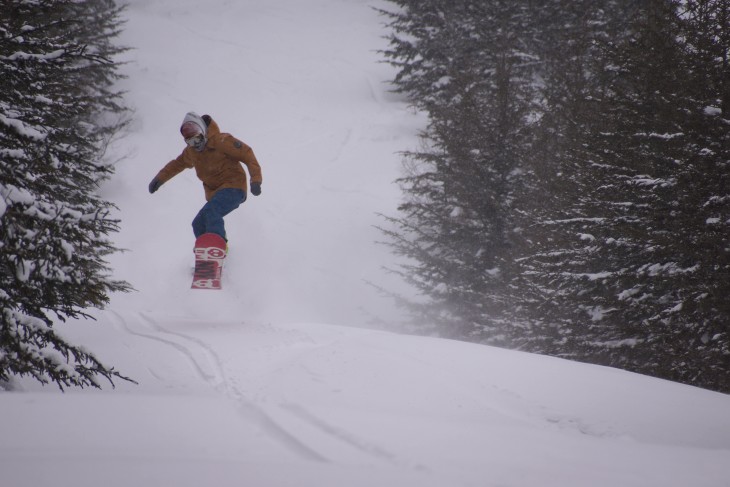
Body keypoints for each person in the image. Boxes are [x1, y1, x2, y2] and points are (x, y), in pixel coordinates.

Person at [148, 112, 262, 244]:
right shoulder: (192, 152)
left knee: (211, 212)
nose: (195, 144)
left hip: (233, 187)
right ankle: (208, 254)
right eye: (190, 142)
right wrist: (159, 179)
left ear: (203, 131)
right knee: (198, 223)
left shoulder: (221, 141)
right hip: (215, 194)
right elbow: (177, 164)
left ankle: (216, 246)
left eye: (197, 139)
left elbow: (247, 154)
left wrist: (256, 180)